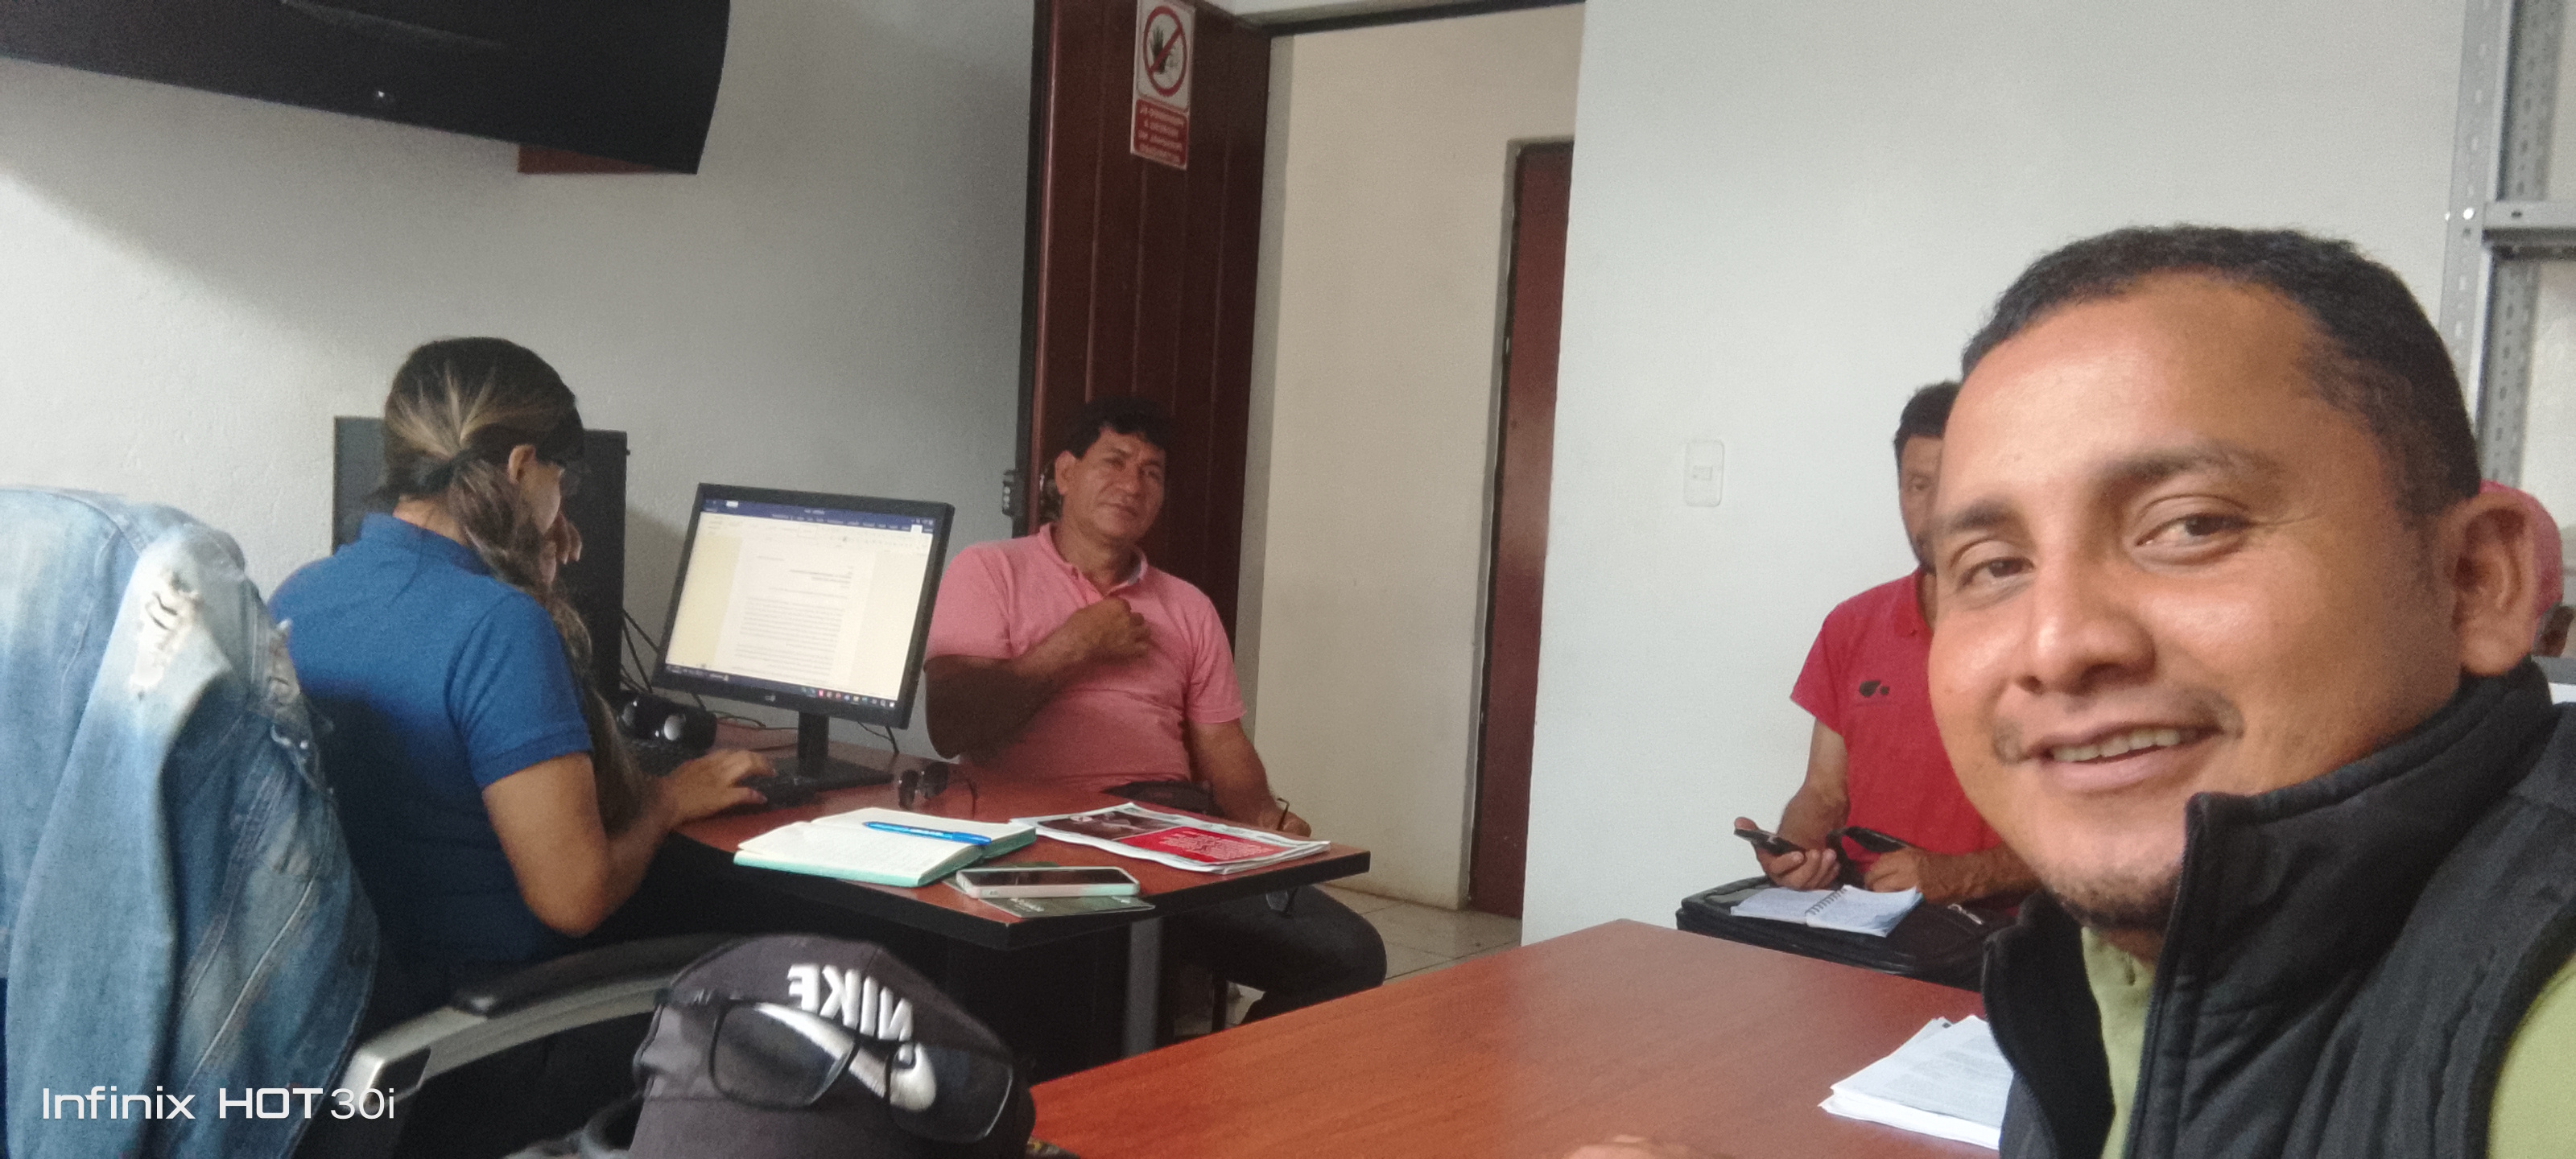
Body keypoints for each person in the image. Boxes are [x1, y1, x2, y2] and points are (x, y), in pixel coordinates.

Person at [1923, 226, 2576, 1158]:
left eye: (2191, 525)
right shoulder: (2110, 962)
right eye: (1993, 566)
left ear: (2473, 581)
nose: (2057, 645)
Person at [273, 338, 770, 1021]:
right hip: (485, 1026)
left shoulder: (300, 595)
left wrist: (522, 577)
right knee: (766, 951)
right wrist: (667, 800)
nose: (563, 502)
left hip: (347, 1009)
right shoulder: (500, 627)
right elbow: (575, 900)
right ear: (521, 465)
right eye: (562, 479)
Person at [921, 396, 1385, 1019]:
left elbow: (1221, 741)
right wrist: (1074, 645)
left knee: (1350, 955)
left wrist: (1265, 821)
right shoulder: (989, 571)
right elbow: (951, 724)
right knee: (1083, 992)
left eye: (1152, 472)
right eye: (1114, 461)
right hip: (1037, 840)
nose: (1133, 484)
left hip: (1170, 836)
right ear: (1065, 474)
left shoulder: (1188, 605)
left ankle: (1225, 1072)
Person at [1734, 382, 2037, 905]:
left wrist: (1965, 876)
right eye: (1919, 485)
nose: (1937, 509)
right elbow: (1824, 792)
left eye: (1957, 483)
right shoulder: (1852, 625)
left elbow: (2105, 834)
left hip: (2000, 934)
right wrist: (1795, 851)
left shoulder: (2053, 632)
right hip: (1859, 920)